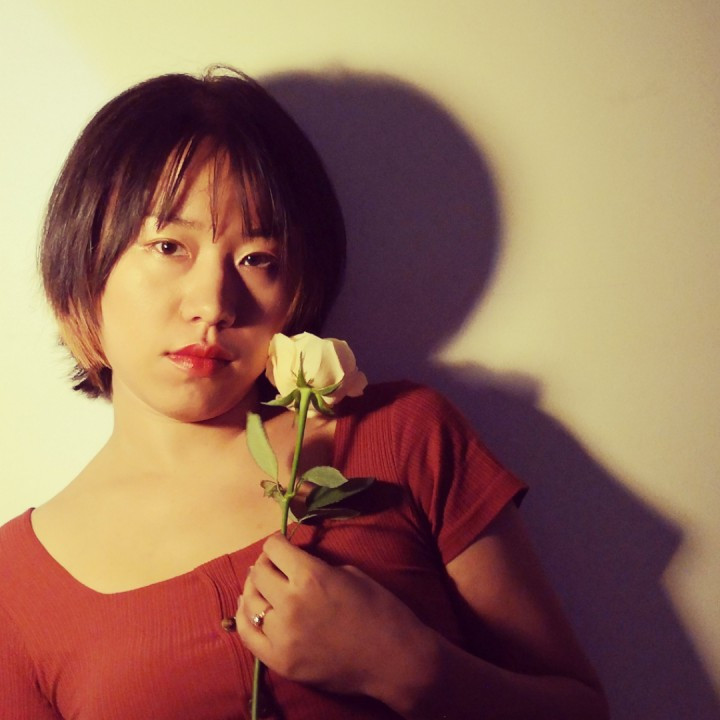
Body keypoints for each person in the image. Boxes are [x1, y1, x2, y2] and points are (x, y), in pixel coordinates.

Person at [0, 67, 609, 720]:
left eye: (257, 259)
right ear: (81, 271)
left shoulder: (402, 437)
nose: (213, 302)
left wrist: (407, 666)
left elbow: (580, 710)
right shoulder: (16, 588)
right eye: (169, 245)